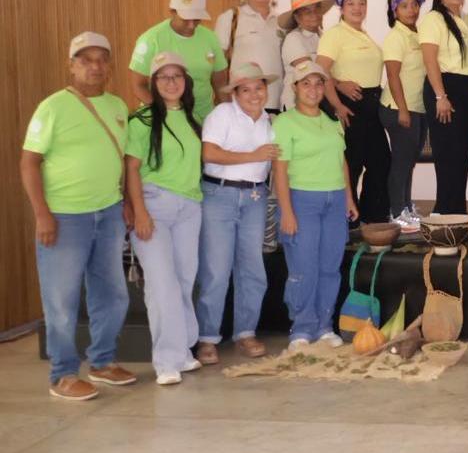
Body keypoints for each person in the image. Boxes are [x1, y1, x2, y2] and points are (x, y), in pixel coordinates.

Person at [20, 32, 136, 400]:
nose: (95, 66)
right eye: (85, 59)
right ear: (71, 66)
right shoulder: (52, 107)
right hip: (65, 218)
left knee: (113, 295)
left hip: (108, 214)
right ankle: (63, 374)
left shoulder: (118, 106)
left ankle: (101, 363)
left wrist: (124, 202)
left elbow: (121, 161)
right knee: (62, 301)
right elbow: (29, 163)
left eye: (102, 59)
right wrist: (43, 215)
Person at [125, 52, 205, 385]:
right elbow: (130, 168)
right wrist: (139, 210)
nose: (171, 83)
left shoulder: (191, 118)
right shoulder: (142, 120)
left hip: (189, 207)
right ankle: (165, 360)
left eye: (177, 76)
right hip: (154, 206)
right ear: (154, 84)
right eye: (163, 77)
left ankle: (184, 351)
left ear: (185, 82)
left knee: (185, 279)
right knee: (162, 284)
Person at [194, 62, 279, 365]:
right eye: (247, 89)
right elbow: (209, 153)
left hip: (255, 197)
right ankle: (207, 338)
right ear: (235, 93)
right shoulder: (221, 115)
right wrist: (253, 155)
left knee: (252, 268)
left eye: (259, 87)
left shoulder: (269, 122)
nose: (255, 94)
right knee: (216, 269)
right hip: (220, 195)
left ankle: (245, 332)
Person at [273, 61, 359, 350]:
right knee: (303, 267)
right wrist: (286, 211)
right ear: (295, 88)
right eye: (306, 83)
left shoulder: (333, 121)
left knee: (329, 267)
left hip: (334, 200)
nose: (313, 89)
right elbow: (280, 170)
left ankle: (324, 325)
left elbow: (342, 162)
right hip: (302, 200)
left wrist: (348, 197)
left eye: (318, 83)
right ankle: (302, 327)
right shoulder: (285, 123)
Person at [316, 0, 390, 224]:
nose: (357, 8)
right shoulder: (335, 34)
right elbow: (321, 71)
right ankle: (349, 219)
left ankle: (373, 217)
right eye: (351, 3)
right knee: (353, 163)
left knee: (380, 161)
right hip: (349, 105)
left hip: (371, 104)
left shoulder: (363, 34)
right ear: (342, 7)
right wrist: (337, 100)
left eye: (362, 3)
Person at [420, 0, 468, 217]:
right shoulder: (434, 19)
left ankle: (457, 211)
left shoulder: (466, 20)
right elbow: (430, 60)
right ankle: (442, 211)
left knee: (463, 155)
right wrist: (440, 96)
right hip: (445, 88)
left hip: (466, 90)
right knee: (447, 155)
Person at [129, 0, 228, 121]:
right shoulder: (151, 39)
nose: (192, 25)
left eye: (197, 19)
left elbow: (220, 82)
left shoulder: (210, 38)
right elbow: (138, 85)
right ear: (172, 11)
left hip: (204, 117)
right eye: (186, 19)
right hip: (163, 116)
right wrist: (168, 114)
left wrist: (230, 114)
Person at [379, 0, 430, 230]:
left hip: (417, 108)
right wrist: (402, 109)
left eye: (414, 5)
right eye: (404, 6)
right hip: (398, 108)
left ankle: (407, 207)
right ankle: (396, 211)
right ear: (394, 10)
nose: (411, 10)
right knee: (401, 162)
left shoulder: (417, 34)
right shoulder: (395, 37)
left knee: (409, 161)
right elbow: (393, 75)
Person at [215, 0, 288, 111]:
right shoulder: (230, 18)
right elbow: (217, 64)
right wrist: (224, 99)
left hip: (276, 102)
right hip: (241, 103)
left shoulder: (282, 22)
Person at [279, 0, 334, 111]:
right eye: (307, 12)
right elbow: (311, 73)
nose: (314, 14)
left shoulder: (324, 38)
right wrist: (341, 85)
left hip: (319, 103)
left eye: (316, 9)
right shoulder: (293, 39)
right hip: (296, 105)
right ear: (297, 18)